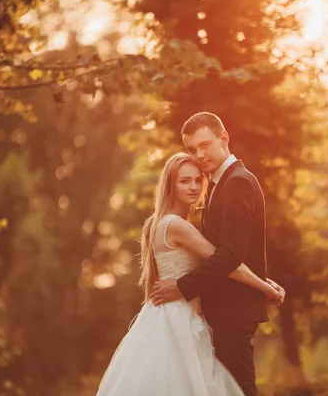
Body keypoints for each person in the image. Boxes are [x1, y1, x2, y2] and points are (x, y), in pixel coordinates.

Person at [96, 152, 281, 396]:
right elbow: (228, 264)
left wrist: (263, 280)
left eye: (197, 180)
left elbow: (219, 264)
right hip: (180, 319)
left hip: (172, 314)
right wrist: (265, 288)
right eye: (185, 181)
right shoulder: (177, 226)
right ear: (170, 185)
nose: (193, 187)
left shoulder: (160, 222)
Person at [151, 112, 286, 396]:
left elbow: (227, 256)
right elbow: (228, 250)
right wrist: (263, 281)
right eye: (191, 149)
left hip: (233, 309)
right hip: (221, 309)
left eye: (205, 145)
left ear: (223, 138)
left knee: (239, 390)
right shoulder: (217, 185)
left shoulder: (236, 182)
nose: (199, 155)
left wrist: (182, 286)